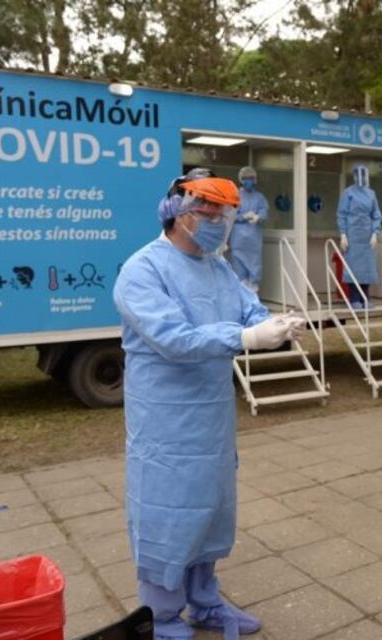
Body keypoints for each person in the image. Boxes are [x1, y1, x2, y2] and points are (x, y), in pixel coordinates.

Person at [113, 169, 304, 640]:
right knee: (168, 512)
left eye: (224, 215)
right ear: (176, 213)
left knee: (210, 510)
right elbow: (174, 338)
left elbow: (248, 310)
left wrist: (276, 324)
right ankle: (159, 615)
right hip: (165, 420)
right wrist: (245, 337)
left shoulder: (218, 268)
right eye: (208, 213)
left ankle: (204, 602)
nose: (218, 223)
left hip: (212, 417)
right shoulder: (142, 270)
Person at [337, 164, 382, 309]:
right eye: (358, 175)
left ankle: (365, 297)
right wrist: (343, 234)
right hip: (353, 236)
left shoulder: (371, 194)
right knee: (353, 268)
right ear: (354, 176)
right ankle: (354, 298)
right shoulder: (348, 193)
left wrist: (375, 233)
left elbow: (376, 215)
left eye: (363, 174)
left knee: (367, 269)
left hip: (367, 237)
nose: (361, 178)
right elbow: (342, 214)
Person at [225, 166, 269, 292]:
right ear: (241, 180)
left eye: (251, 178)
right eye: (246, 178)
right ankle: (242, 291)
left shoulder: (259, 197)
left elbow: (264, 211)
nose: (249, 181)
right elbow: (229, 215)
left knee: (255, 264)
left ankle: (253, 290)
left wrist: (258, 216)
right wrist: (242, 217)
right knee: (238, 266)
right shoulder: (235, 197)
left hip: (254, 240)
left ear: (255, 180)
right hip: (238, 240)